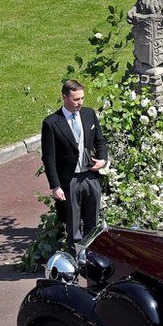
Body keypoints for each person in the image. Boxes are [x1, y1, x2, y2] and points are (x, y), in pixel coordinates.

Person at [41, 79, 108, 250]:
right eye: (76, 99)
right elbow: (49, 158)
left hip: (90, 177)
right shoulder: (51, 123)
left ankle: (92, 257)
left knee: (92, 223)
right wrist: (55, 186)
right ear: (64, 97)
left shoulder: (89, 114)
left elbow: (100, 141)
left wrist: (102, 159)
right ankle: (76, 260)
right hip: (69, 181)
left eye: (82, 98)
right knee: (73, 226)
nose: (80, 102)